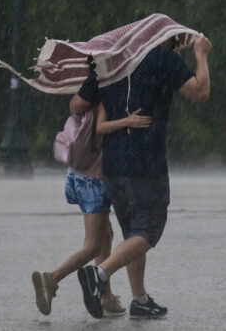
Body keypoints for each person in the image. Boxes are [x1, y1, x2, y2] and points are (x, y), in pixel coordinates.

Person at [77, 33, 211, 319]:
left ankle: (140, 299)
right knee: (148, 231)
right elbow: (200, 92)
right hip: (146, 163)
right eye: (175, 43)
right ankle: (99, 275)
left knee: (132, 234)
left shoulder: (111, 63)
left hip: (113, 164)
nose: (176, 48)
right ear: (166, 40)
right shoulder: (163, 58)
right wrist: (201, 54)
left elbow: (77, 104)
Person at [30, 66, 148, 318]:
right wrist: (128, 121)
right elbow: (100, 128)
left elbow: (78, 109)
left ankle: (105, 296)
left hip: (79, 172)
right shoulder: (109, 91)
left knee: (106, 234)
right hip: (94, 179)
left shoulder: (89, 89)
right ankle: (51, 279)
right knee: (93, 245)